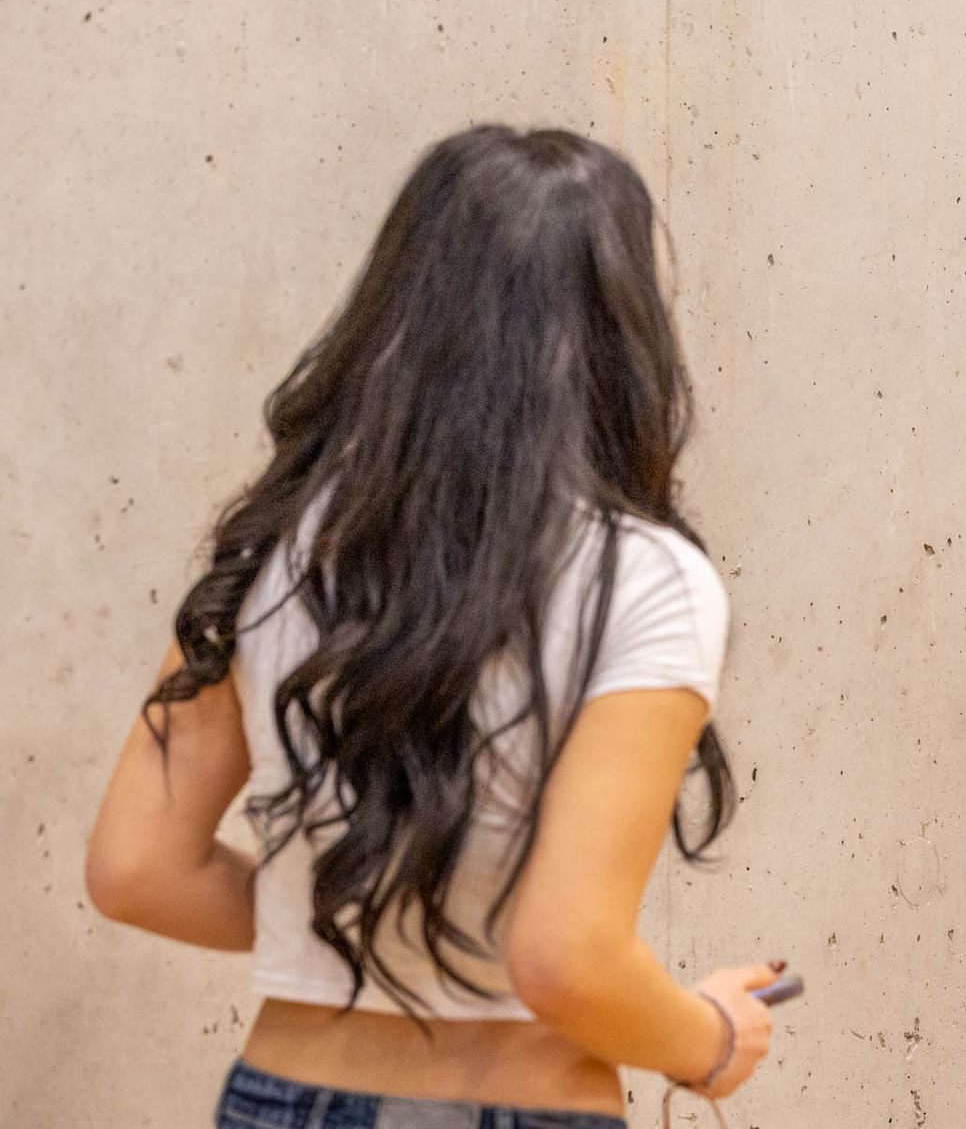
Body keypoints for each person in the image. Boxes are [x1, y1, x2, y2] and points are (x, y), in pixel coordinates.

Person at [85, 126, 779, 1127]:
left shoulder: (280, 547)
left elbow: (137, 868)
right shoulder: (643, 578)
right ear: (623, 329)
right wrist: (709, 1034)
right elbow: (567, 959)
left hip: (278, 1099)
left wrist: (342, 909)